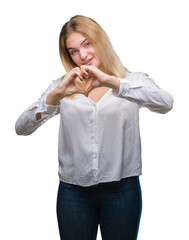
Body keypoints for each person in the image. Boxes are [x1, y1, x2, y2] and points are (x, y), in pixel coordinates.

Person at [15, 15, 174, 240]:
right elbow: (21, 127)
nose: (83, 55)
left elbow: (166, 103)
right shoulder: (63, 87)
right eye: (74, 51)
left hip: (123, 189)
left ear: (101, 41)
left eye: (87, 43)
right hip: (73, 192)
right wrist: (55, 96)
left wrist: (113, 82)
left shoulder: (132, 81)